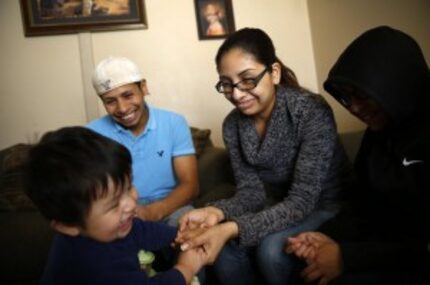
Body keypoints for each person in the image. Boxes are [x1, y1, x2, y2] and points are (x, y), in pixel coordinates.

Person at [177, 28, 349, 285]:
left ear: (274, 73)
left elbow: (302, 201)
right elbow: (251, 194)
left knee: (271, 251)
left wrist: (230, 227)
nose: (236, 94)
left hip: (325, 205)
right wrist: (215, 212)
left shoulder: (310, 111)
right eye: (226, 84)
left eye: (247, 79)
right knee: (226, 249)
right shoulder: (232, 125)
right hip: (279, 202)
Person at [286, 26, 430, 285]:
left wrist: (347, 257)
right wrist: (323, 236)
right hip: (383, 248)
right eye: (347, 98)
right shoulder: (379, 134)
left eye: (363, 96)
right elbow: (366, 207)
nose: (353, 107)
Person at [23, 126, 208, 285]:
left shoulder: (112, 227)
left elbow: (142, 230)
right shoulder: (95, 265)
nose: (131, 203)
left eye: (129, 187)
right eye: (113, 205)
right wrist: (185, 268)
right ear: (68, 225)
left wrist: (181, 235)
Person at [88, 56, 198, 227]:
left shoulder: (174, 123)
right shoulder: (91, 134)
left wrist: (153, 212)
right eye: (110, 101)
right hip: (120, 210)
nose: (122, 108)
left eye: (127, 95)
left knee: (194, 231)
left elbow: (190, 185)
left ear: (143, 87)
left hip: (171, 206)